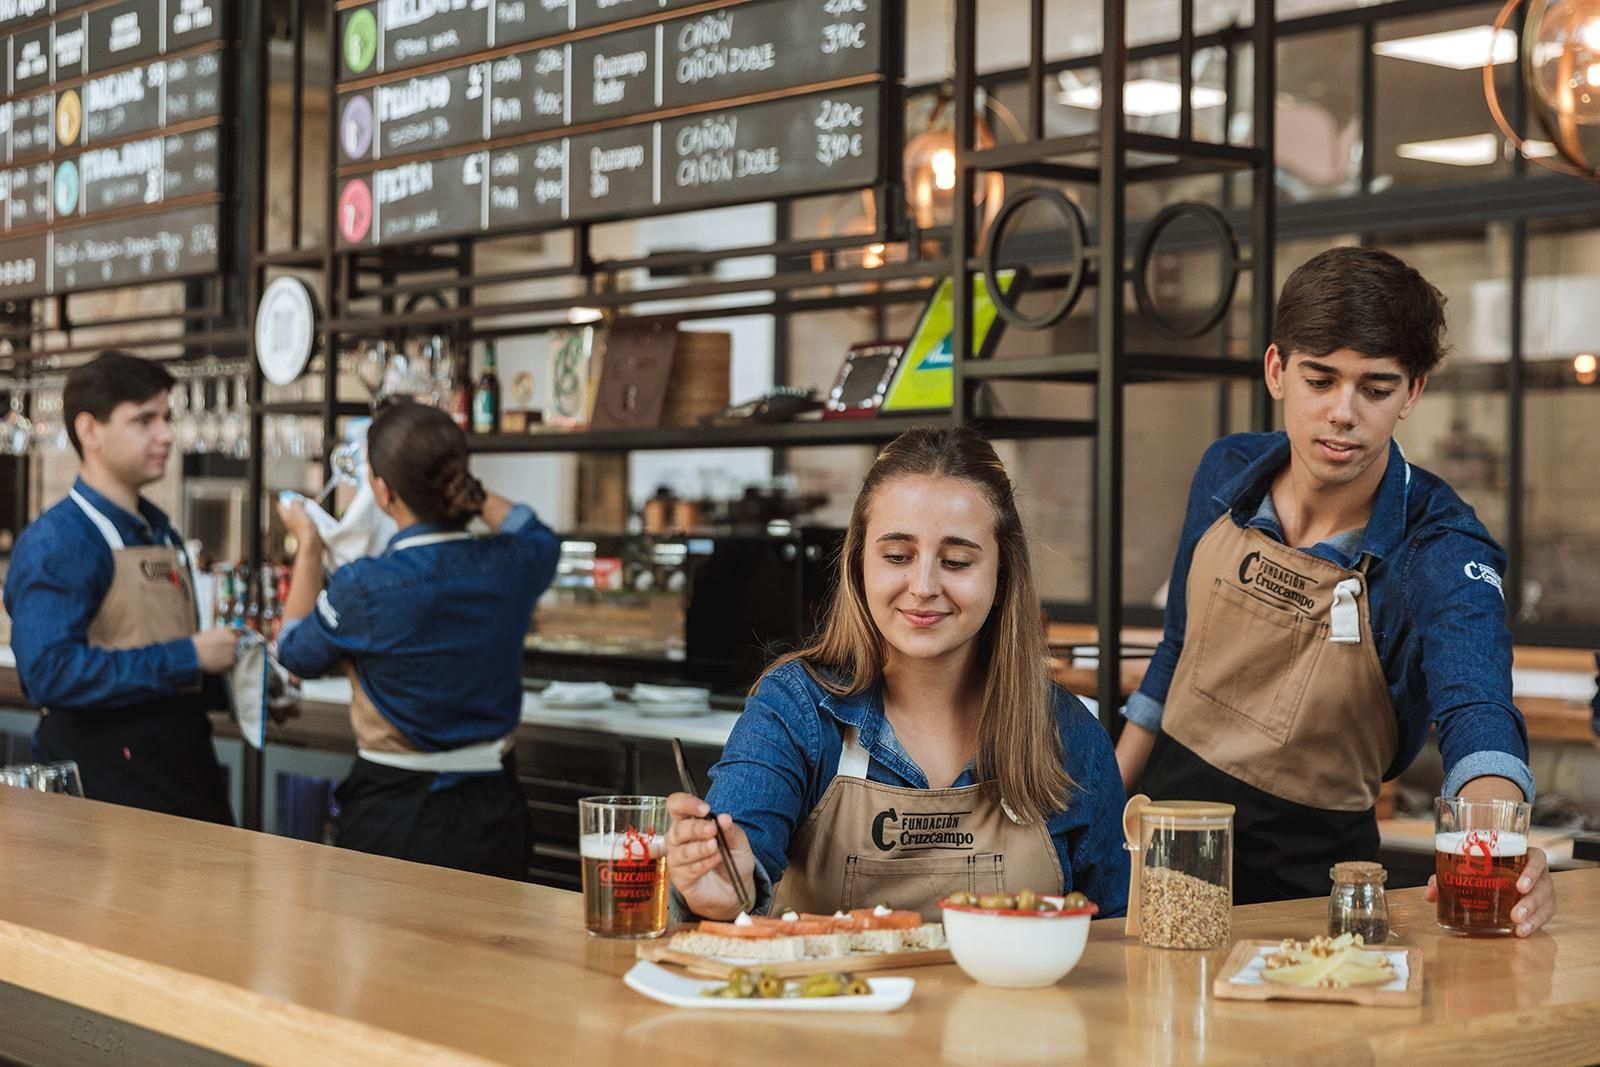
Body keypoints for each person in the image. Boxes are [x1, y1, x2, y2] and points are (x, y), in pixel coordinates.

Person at [1115, 246, 1556, 934]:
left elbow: (1478, 711)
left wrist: (1497, 838)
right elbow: (1175, 650)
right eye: (1320, 379)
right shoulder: (1226, 472)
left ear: (1413, 392)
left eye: (1375, 389)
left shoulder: (1441, 546)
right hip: (1160, 849)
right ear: (1276, 370)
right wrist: (1101, 812)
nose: (1342, 413)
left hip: (1312, 890)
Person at [666, 428, 1129, 920]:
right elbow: (736, 865)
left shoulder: (1069, 734)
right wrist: (717, 889)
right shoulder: (796, 712)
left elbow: (1116, 945)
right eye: (897, 557)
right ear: (859, 564)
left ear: (1002, 574)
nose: (924, 585)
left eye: (956, 561)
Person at [276, 400, 559, 879]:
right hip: (496, 810)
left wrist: (308, 547)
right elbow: (536, 532)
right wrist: (465, 485)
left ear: (383, 491)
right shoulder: (513, 562)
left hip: (394, 810)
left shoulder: (365, 585)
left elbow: (294, 652)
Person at [4, 351, 238, 823]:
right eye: (144, 420)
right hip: (103, 788)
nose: (167, 435)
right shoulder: (59, 541)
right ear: (90, 431)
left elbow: (153, 650)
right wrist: (191, 656)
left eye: (167, 418)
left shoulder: (161, 531)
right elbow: (49, 673)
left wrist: (241, 685)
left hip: (184, 773)